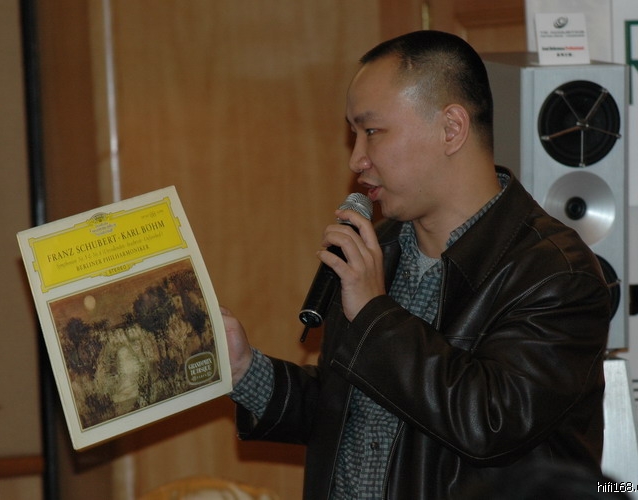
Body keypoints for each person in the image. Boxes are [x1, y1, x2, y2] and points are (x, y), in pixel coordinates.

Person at [221, 30, 611, 499]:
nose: (356, 159)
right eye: (354, 134)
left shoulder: (554, 272)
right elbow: (349, 413)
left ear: (451, 129)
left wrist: (374, 313)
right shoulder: (378, 250)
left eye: (371, 131)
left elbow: (491, 423)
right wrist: (244, 369)